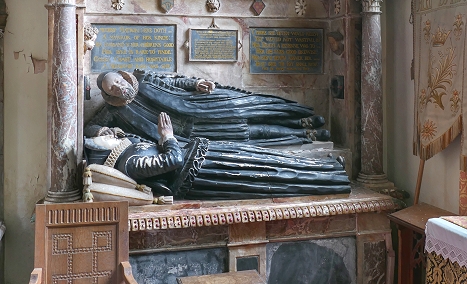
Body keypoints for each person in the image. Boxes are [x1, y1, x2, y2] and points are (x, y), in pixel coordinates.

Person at [85, 112, 350, 200]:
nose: (109, 133)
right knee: (269, 170)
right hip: (208, 170)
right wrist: (168, 137)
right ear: (100, 148)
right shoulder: (128, 163)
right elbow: (172, 161)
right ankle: (331, 176)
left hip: (207, 156)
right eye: (103, 135)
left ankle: (325, 167)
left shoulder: (127, 149)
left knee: (266, 157)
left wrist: (166, 139)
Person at [85, 69, 331, 146]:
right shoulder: (114, 111)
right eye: (112, 89)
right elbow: (90, 127)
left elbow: (174, 81)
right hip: (190, 132)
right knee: (246, 133)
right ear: (108, 95)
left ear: (124, 77)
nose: (118, 87)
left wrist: (195, 83)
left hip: (199, 105)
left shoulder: (144, 78)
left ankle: (300, 120)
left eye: (118, 82)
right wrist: (102, 131)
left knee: (248, 111)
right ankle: (304, 135)